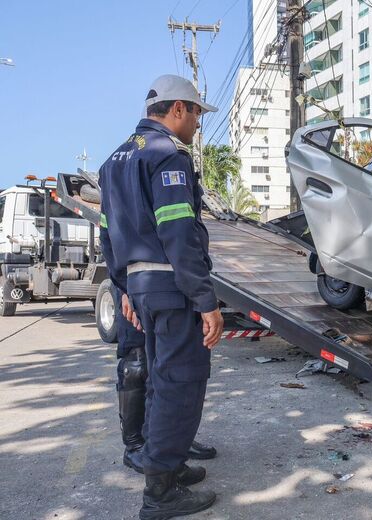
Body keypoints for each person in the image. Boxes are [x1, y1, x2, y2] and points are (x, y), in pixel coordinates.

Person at [99, 74, 224, 519]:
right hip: (172, 289)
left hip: (142, 289)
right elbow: (178, 232)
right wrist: (206, 300)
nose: (196, 124)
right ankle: (160, 493)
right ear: (177, 110)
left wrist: (123, 286)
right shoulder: (168, 155)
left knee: (158, 380)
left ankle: (167, 467)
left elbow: (108, 236)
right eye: (195, 114)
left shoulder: (114, 160)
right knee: (180, 384)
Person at [114, 285, 217, 475]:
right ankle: (135, 445)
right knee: (137, 362)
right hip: (135, 281)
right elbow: (114, 253)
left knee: (171, 365)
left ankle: (173, 441)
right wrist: (124, 289)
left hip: (170, 288)